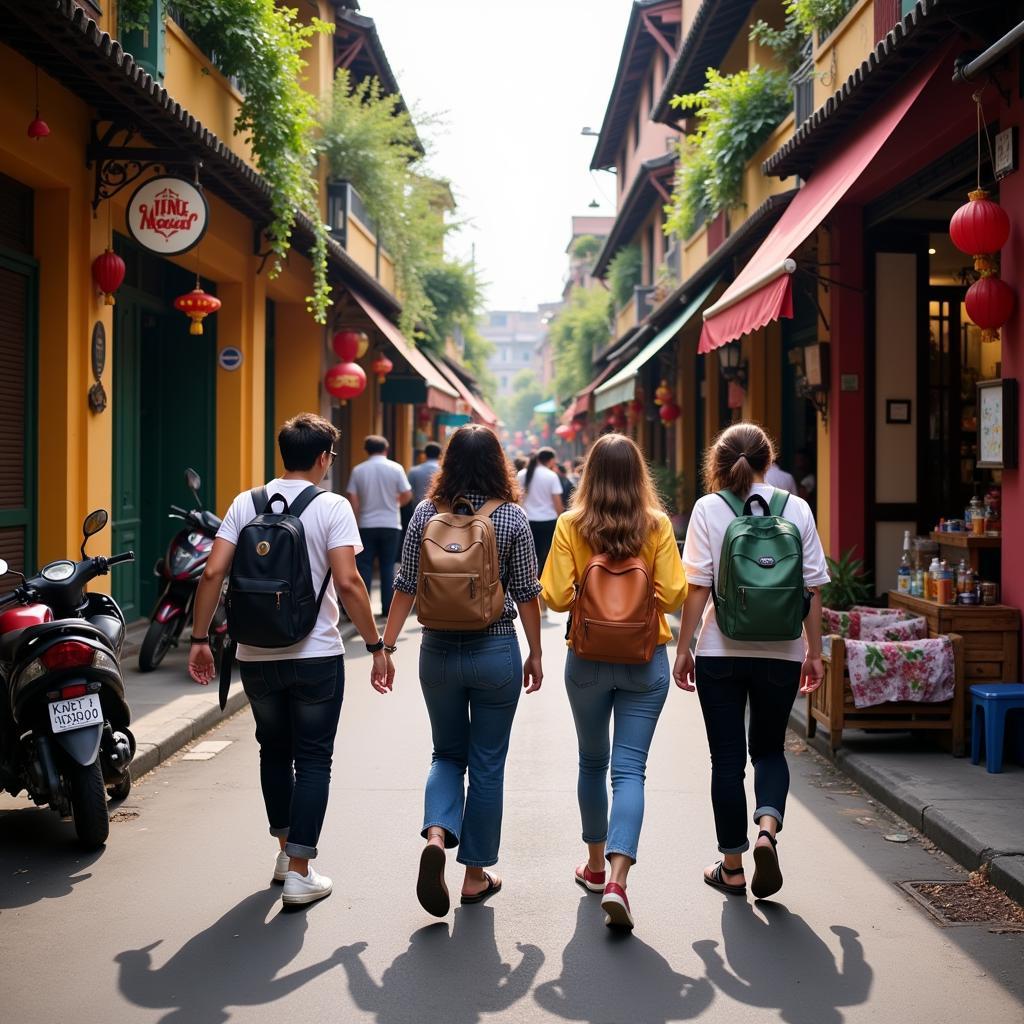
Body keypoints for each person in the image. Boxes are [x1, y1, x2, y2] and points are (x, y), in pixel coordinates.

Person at [188, 413, 391, 907]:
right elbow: (348, 582)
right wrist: (375, 645)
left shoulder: (245, 502)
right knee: (314, 757)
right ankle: (300, 870)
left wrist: (199, 639)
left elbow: (213, 572)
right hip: (316, 655)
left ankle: (284, 854)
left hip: (256, 654)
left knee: (273, 752)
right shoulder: (332, 507)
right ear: (323, 458)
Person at [382, 425, 544, 917]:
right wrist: (535, 652)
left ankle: (436, 834)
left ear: (447, 463)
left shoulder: (425, 515)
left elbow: (406, 586)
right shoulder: (513, 518)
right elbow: (527, 592)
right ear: (499, 464)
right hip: (495, 650)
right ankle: (475, 876)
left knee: (446, 754)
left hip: (437, 653)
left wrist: (385, 646)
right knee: (488, 763)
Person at [673, 423, 829, 900]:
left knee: (726, 760)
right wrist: (813, 652)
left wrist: (685, 648)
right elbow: (813, 586)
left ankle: (733, 867)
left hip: (721, 650)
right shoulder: (796, 507)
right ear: (768, 460)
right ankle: (767, 830)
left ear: (717, 464)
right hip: (781, 652)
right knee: (769, 750)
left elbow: (698, 585)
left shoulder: (708, 509)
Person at [541, 434, 686, 930]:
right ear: (639, 474)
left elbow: (556, 597)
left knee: (591, 761)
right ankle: (621, 881)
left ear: (590, 475)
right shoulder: (658, 525)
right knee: (630, 771)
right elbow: (674, 594)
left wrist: (588, 583)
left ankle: (596, 866)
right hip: (646, 660)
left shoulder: (570, 525)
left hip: (586, 661)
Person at [346, 435, 412, 619]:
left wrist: (357, 518)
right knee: (387, 565)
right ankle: (387, 609)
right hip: (391, 523)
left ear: (366, 450)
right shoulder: (396, 468)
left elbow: (352, 497)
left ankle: (363, 608)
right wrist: (395, 505)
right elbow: (407, 494)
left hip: (366, 524)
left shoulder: (358, 470)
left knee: (364, 566)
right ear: (386, 449)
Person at [517, 447, 563, 621]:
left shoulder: (521, 474)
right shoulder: (551, 476)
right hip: (548, 524)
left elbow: (516, 499)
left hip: (527, 522)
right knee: (544, 564)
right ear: (550, 460)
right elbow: (558, 505)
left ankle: (534, 603)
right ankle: (543, 603)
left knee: (529, 565)